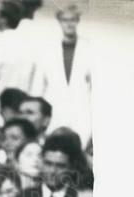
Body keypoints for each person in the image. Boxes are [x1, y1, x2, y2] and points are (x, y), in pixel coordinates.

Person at [41, 2, 92, 147]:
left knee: (79, 147)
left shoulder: (89, 48)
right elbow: (40, 84)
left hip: (81, 109)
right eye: (65, 20)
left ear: (78, 21)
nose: (69, 24)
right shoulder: (48, 50)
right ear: (59, 22)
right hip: (54, 109)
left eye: (73, 20)